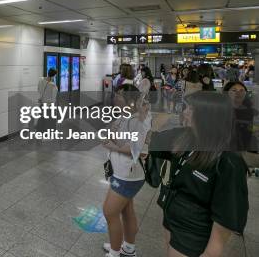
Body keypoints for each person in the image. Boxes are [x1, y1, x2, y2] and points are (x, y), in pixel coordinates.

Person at [149, 92, 249, 257]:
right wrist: (153, 126)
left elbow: (225, 217)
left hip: (193, 235)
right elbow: (153, 142)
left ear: (207, 116)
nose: (185, 112)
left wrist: (209, 254)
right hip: (171, 220)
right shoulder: (187, 137)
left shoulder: (229, 160)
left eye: (190, 108)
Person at [102, 84, 152, 257]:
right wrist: (110, 136)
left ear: (131, 100)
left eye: (120, 96)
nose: (116, 98)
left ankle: (115, 253)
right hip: (122, 172)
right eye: (116, 95)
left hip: (128, 175)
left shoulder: (139, 119)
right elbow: (116, 139)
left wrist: (111, 144)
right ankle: (128, 248)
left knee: (109, 212)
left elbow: (139, 150)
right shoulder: (124, 117)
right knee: (126, 210)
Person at [223, 81, 258, 152]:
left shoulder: (252, 112)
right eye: (234, 90)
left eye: (242, 90)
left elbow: (250, 128)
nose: (238, 93)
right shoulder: (220, 110)